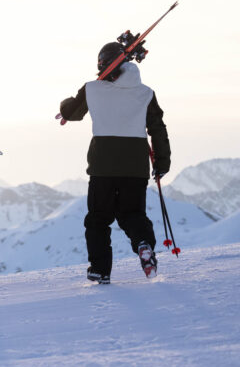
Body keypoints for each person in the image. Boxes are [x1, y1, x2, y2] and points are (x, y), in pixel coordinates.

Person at [59, 42, 171, 284]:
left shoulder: (92, 89)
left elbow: (72, 112)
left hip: (103, 166)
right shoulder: (146, 93)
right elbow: (157, 128)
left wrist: (65, 104)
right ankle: (144, 245)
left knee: (98, 218)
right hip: (135, 166)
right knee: (133, 214)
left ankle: (100, 269)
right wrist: (162, 162)